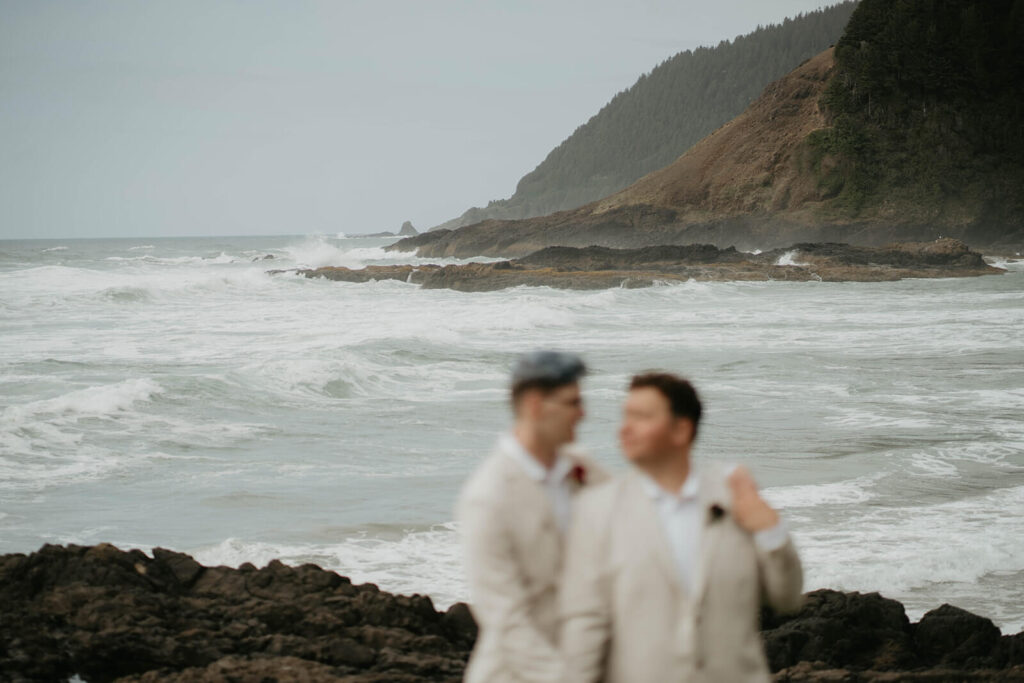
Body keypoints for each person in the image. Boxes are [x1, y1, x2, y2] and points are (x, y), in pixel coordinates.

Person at [560, 372, 803, 683]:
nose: (625, 427)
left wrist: (772, 530)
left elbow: (787, 597)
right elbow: (585, 623)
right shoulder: (598, 511)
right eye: (625, 416)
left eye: (642, 417)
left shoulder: (734, 503)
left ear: (681, 430)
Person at [456, 351, 609, 683]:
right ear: (536, 406)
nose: (582, 414)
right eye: (572, 403)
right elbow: (505, 618)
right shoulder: (488, 497)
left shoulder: (582, 469)